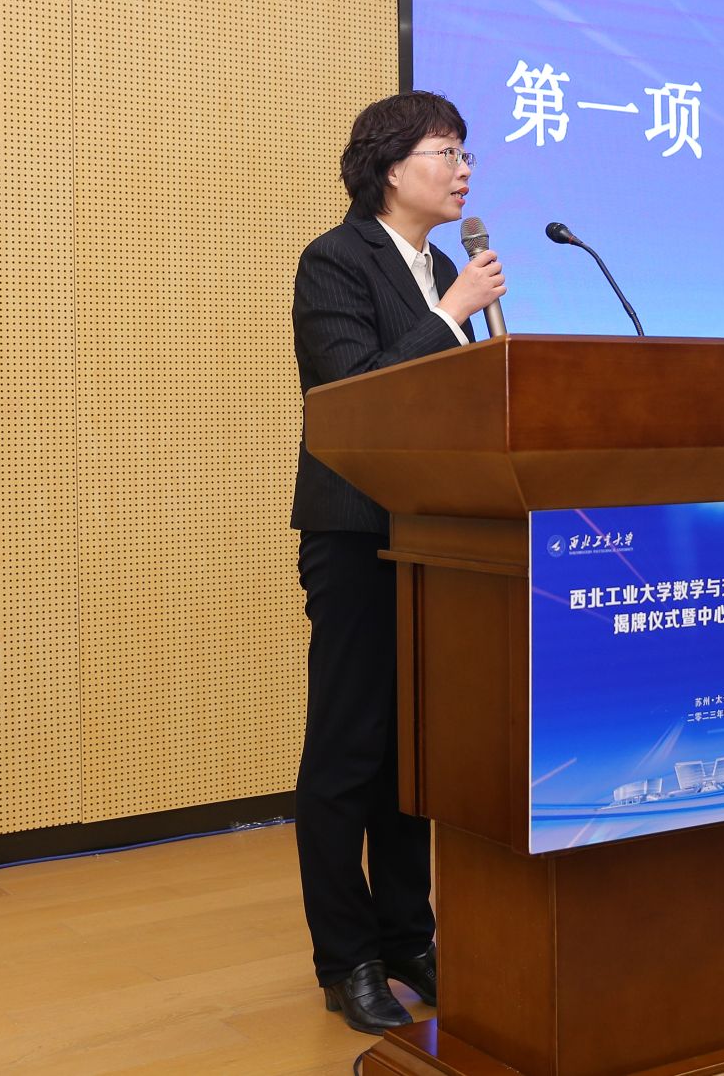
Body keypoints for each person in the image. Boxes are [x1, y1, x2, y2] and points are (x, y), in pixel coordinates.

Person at [288, 91, 506, 1034]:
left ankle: (410, 935)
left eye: (465, 153)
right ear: (389, 167)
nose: (464, 170)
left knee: (413, 753)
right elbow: (354, 393)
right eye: (445, 151)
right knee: (349, 750)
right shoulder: (335, 260)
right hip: (355, 534)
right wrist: (452, 315)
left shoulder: (443, 266)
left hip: (433, 537)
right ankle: (348, 958)